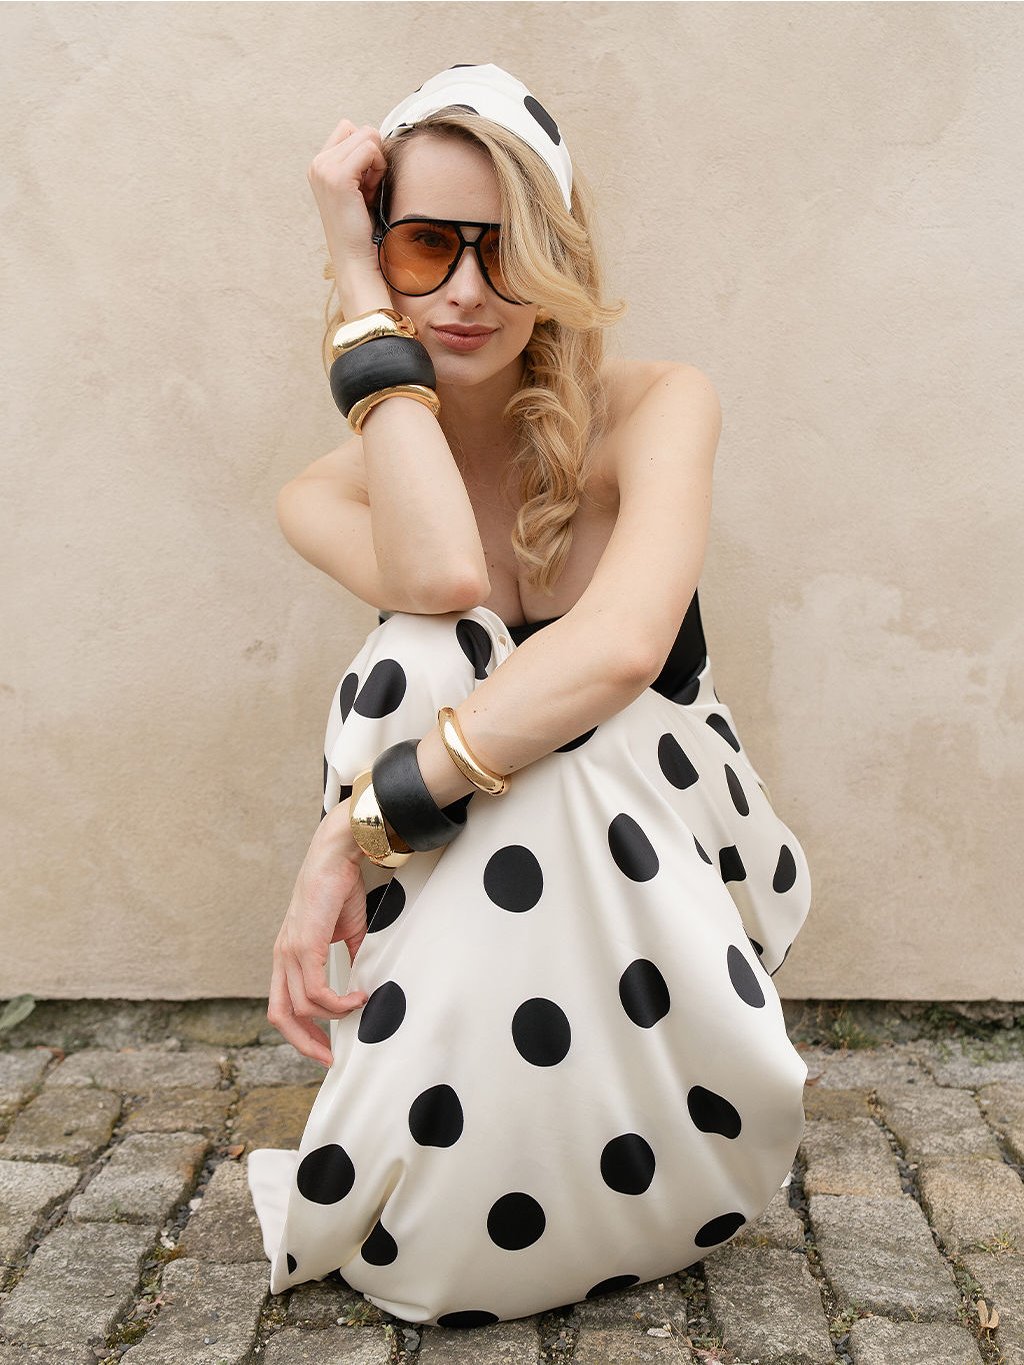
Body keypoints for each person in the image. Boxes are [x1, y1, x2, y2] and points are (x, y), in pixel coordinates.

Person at [246, 62, 813, 1329]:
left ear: (556, 262)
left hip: (670, 859)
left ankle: (625, 1148)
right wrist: (355, 288)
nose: (464, 291)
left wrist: (353, 827)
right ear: (380, 260)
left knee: (551, 724)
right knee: (424, 649)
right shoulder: (324, 492)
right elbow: (446, 577)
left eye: (505, 251)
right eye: (422, 247)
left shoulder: (656, 404)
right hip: (480, 896)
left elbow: (618, 652)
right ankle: (477, 1141)